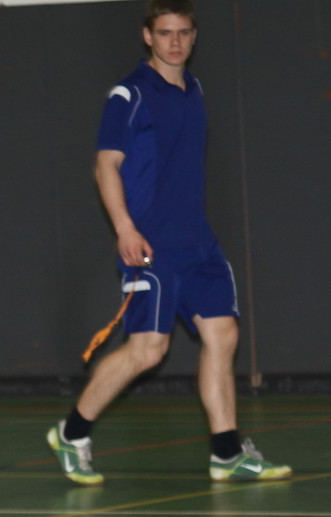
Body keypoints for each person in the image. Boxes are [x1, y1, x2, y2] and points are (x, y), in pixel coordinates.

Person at [47, 0, 291, 486]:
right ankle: (71, 434)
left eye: (183, 33)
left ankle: (227, 454)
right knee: (148, 351)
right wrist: (125, 228)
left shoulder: (194, 90)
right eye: (165, 33)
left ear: (194, 37)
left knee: (223, 334)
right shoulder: (130, 94)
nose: (175, 42)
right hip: (151, 245)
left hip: (197, 243)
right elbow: (105, 166)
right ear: (148, 36)